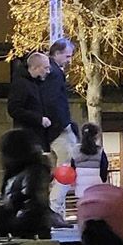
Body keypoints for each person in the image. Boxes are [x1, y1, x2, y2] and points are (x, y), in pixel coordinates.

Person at [0, 129, 58, 238]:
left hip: (29, 232)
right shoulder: (17, 172)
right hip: (18, 229)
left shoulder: (35, 171)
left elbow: (34, 205)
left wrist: (4, 217)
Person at [41, 39, 78, 217]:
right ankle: (54, 209)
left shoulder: (51, 73)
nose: (69, 60)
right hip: (59, 127)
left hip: (55, 127)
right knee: (66, 167)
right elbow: (54, 101)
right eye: (67, 56)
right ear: (57, 53)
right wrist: (63, 123)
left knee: (61, 166)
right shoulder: (55, 74)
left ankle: (54, 207)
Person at [7, 52, 51, 150]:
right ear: (35, 68)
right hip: (27, 138)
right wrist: (39, 119)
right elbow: (14, 109)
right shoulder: (21, 84)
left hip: (35, 136)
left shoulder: (34, 83)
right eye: (46, 68)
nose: (48, 71)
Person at [71, 122, 109, 198]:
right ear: (95, 136)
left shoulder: (75, 150)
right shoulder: (100, 151)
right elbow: (104, 166)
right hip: (96, 184)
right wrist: (103, 179)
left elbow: (72, 167)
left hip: (80, 184)